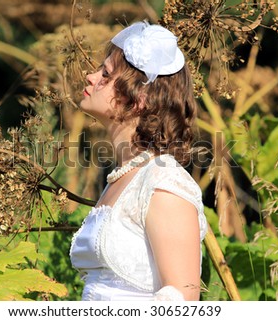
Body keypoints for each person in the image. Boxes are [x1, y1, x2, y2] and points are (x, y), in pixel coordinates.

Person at [69, 21, 208, 301]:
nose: (90, 76)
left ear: (138, 99)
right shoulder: (124, 176)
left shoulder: (164, 184)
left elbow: (181, 300)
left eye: (105, 75)